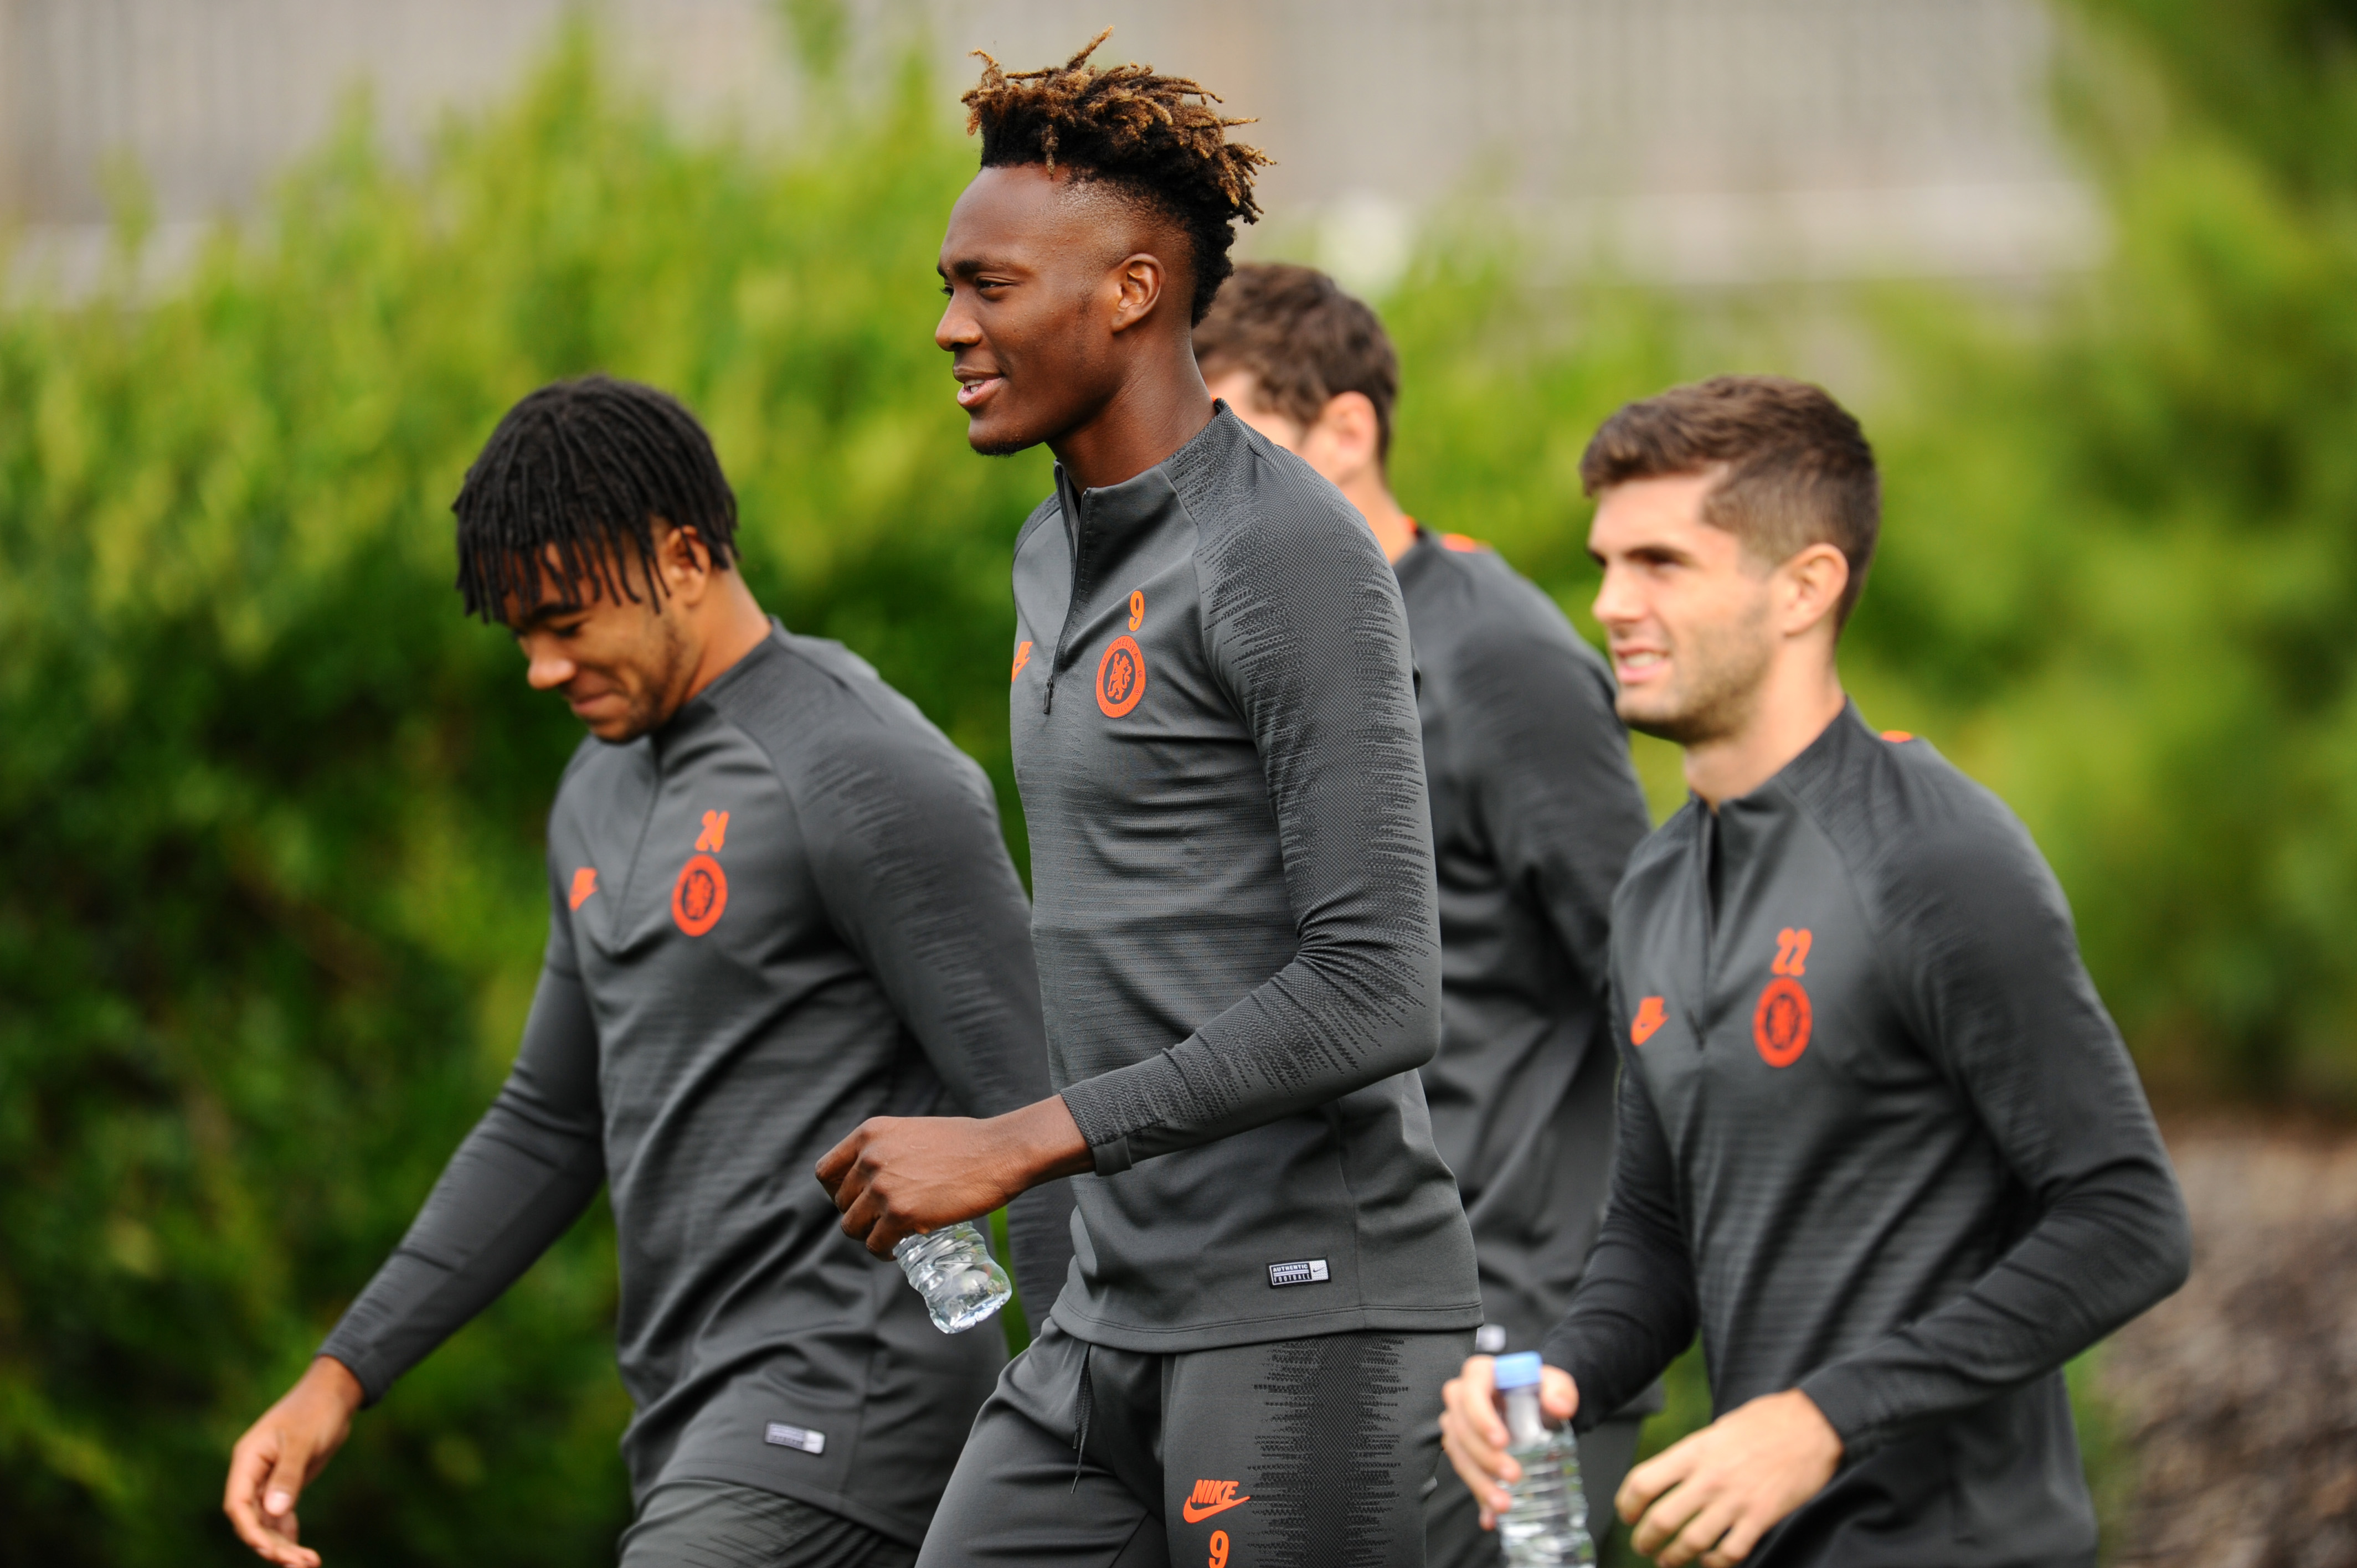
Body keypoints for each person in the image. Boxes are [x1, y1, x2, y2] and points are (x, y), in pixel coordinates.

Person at [815, 34, 1482, 1568]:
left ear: (1130, 292)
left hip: (1306, 1316)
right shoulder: (1047, 553)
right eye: (949, 284)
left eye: (990, 288)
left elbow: (1380, 989)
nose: (948, 328)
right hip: (1107, 1322)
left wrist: (1017, 1144)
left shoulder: (1285, 555)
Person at [222, 375, 1073, 1568]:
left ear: (681, 558)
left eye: (566, 623)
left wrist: (1087, 1428)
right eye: (521, 634)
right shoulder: (595, 791)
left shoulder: (863, 768)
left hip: (846, 1403)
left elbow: (1032, 1105)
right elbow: (546, 1123)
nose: (540, 668)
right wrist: (341, 1377)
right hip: (688, 1420)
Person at [1438, 375, 2192, 1567]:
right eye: (1605, 563)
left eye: (1661, 564)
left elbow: (2125, 1219)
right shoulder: (1654, 881)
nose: (1610, 605)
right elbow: (1651, 1236)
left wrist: (1821, 1419)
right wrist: (1554, 1374)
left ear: (1805, 587)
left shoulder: (1933, 854)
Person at [1193, 262, 1657, 1564]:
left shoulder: (1495, 657)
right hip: (1334, 1302)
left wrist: (1602, 1320)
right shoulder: (1246, 645)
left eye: (1234, 440)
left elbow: (1653, 986)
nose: (1201, 490)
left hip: (1505, 1318)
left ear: (1346, 430)